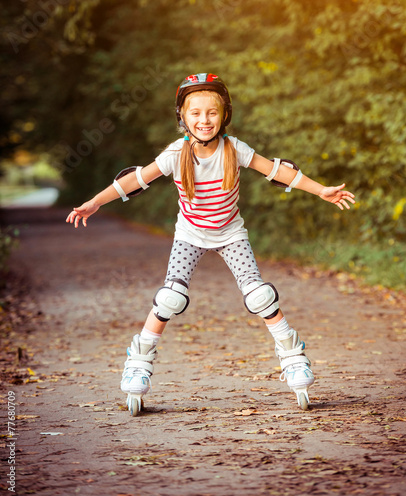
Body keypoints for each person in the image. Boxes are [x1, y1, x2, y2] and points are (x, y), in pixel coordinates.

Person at [66, 73, 355, 415]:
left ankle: (292, 358)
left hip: (230, 232)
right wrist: (96, 202)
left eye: (212, 112)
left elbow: (278, 171)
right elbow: (135, 179)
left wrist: (320, 189)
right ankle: (138, 362)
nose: (204, 120)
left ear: (224, 115)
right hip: (190, 234)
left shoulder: (235, 149)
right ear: (183, 118)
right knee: (170, 297)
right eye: (196, 113)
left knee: (259, 294)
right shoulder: (177, 153)